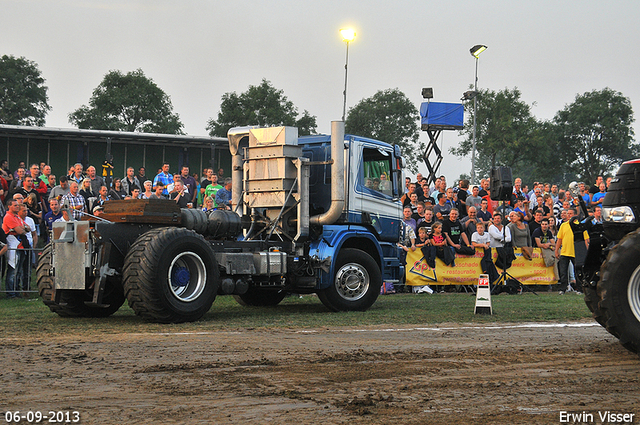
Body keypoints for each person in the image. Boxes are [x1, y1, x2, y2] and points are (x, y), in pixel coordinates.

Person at [2, 199, 28, 299]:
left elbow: (27, 228)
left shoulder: (17, 217)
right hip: (13, 246)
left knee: (18, 271)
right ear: (9, 206)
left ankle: (16, 291)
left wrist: (21, 228)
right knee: (12, 270)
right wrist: (21, 229)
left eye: (18, 205)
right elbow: (20, 231)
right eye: (15, 205)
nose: (18, 207)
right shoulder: (8, 217)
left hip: (20, 245)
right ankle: (10, 293)